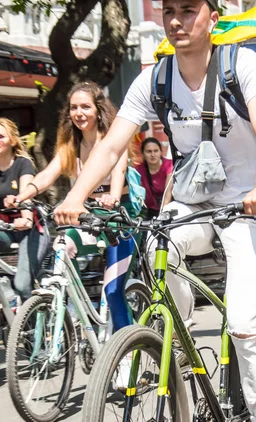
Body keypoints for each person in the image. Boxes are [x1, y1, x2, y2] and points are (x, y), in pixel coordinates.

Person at [53, 0, 256, 422]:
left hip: (250, 204)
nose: (177, 20)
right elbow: (114, 145)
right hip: (194, 203)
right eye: (170, 11)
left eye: (189, 9)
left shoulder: (241, 63)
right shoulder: (154, 79)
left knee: (245, 321)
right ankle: (177, 351)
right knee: (163, 250)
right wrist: (74, 196)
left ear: (212, 16)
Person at [5, 81, 139, 332]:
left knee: (113, 290)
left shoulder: (113, 139)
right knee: (61, 247)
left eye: (85, 107)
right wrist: (22, 196)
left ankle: (127, 353)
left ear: (98, 109)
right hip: (88, 217)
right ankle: (76, 310)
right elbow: (48, 174)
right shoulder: (71, 144)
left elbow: (119, 169)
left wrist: (112, 197)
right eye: (74, 108)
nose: (79, 113)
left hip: (119, 220)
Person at [0, 118, 49, 301]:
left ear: (12, 140)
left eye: (1, 136)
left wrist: (26, 218)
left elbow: (26, 195)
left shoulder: (23, 164)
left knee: (22, 284)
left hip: (31, 229)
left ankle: (35, 323)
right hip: (6, 230)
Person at [136, 137, 173, 217]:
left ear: (160, 152)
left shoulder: (169, 165)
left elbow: (168, 192)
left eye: (156, 151)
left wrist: (162, 215)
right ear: (143, 153)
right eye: (149, 151)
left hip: (168, 209)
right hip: (149, 212)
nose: (152, 155)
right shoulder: (138, 170)